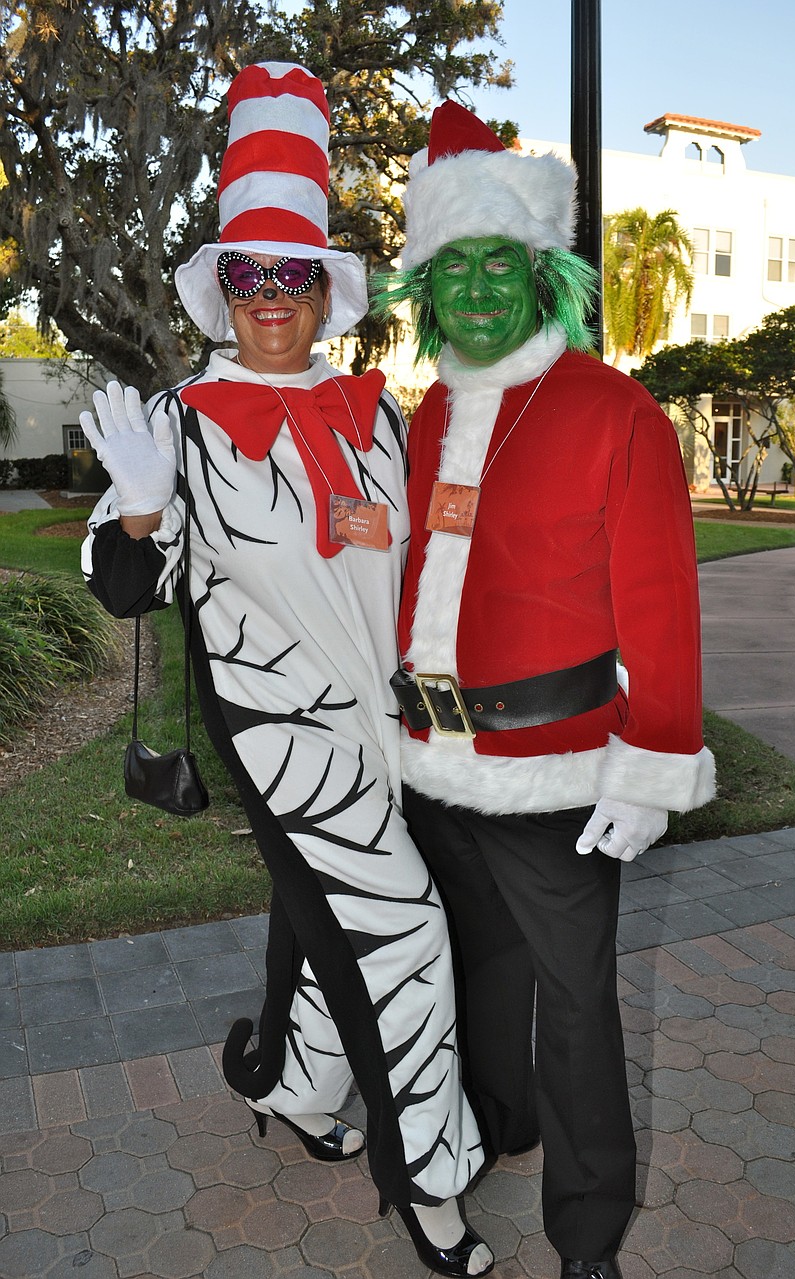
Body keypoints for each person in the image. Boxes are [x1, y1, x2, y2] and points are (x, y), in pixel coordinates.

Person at [80, 65, 492, 1278]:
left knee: (331, 924)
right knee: (405, 931)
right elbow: (125, 586)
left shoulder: (377, 415)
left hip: (389, 721)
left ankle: (296, 1086)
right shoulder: (182, 420)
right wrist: (142, 512)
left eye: (292, 273)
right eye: (248, 274)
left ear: (323, 289)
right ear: (224, 290)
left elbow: (430, 553)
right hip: (282, 731)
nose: (270, 297)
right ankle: (433, 1185)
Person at [376, 102, 716, 1279]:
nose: (475, 287)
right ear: (426, 285)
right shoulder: (427, 413)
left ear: (540, 273)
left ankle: (587, 1229)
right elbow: (412, 567)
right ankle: (496, 1124)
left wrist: (651, 766)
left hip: (560, 770)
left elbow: (660, 606)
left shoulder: (613, 410)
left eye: (498, 261)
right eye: (452, 264)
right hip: (431, 765)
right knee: (479, 972)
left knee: (575, 1004)